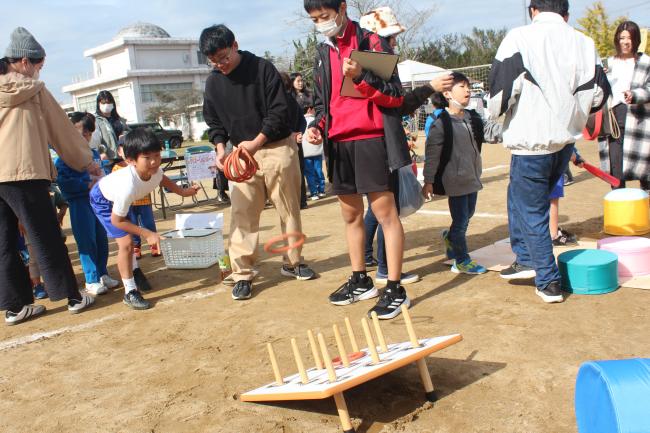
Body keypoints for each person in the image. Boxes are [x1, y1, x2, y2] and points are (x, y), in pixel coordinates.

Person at [488, 0, 610, 303]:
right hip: (564, 140)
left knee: (532, 212)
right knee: (519, 198)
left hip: (531, 140)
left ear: (533, 10)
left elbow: (499, 96)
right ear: (565, 13)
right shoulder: (585, 42)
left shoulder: (519, 37)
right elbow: (600, 95)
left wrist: (497, 114)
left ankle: (548, 279)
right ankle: (526, 259)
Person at [305, 0, 415, 319]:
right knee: (351, 215)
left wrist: (362, 76)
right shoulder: (323, 53)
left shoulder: (372, 41)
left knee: (384, 213)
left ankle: (395, 287)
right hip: (339, 143)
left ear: (342, 8)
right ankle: (360, 279)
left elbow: (394, 97)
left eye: (325, 16)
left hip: (371, 138)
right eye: (314, 20)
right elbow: (324, 106)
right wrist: (317, 128)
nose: (321, 23)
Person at [200, 24, 316, 301]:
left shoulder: (262, 68)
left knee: (288, 208)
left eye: (224, 57)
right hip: (240, 155)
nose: (220, 65)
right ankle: (241, 274)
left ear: (235, 45)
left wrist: (256, 143)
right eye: (214, 61)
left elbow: (278, 112)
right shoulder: (213, 82)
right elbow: (213, 121)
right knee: (242, 215)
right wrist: (220, 149)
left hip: (276, 146)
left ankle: (293, 262)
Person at [0, 27, 100, 325]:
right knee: (46, 235)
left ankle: (15, 306)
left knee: (3, 242)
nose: (38, 73)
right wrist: (88, 162)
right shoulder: (34, 91)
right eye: (39, 66)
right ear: (25, 62)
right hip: (23, 173)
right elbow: (63, 132)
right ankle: (71, 295)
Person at [90, 128, 199, 310]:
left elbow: (162, 179)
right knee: (126, 243)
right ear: (131, 160)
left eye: (157, 155)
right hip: (103, 199)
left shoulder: (155, 171)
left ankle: (134, 270)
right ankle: (130, 292)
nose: (154, 161)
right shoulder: (127, 186)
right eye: (147, 157)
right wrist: (148, 233)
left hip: (123, 199)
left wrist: (184, 192)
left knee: (132, 240)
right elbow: (118, 221)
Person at [423, 73, 502, 274]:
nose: (468, 91)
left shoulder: (473, 117)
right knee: (460, 222)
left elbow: (491, 132)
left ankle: (450, 239)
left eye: (468, 87)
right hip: (454, 180)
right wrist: (428, 181)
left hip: (472, 177)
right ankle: (462, 259)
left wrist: (514, 130)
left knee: (468, 215)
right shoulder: (441, 122)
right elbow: (432, 154)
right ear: (448, 93)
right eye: (462, 86)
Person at [56, 112, 121, 296]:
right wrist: (86, 183)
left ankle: (102, 273)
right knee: (86, 241)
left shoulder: (93, 153)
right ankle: (91, 279)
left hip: (98, 204)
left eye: (88, 134)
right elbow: (64, 182)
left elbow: (102, 175)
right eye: (81, 134)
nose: (85, 138)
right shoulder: (65, 156)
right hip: (80, 203)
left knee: (101, 239)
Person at [602, 21, 650, 192]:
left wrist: (636, 95)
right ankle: (620, 209)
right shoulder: (606, 63)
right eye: (622, 38)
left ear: (636, 40)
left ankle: (645, 210)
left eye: (630, 38)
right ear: (617, 39)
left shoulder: (646, 62)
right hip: (613, 121)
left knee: (645, 169)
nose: (625, 42)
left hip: (640, 122)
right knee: (615, 169)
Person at [112, 147, 160, 259]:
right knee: (132, 225)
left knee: (148, 223)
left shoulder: (142, 165)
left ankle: (154, 245)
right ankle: (136, 247)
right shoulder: (117, 167)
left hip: (144, 201)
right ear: (119, 152)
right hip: (129, 204)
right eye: (122, 149)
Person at [302, 104, 326, 200]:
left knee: (309, 173)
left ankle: (314, 193)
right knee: (319, 171)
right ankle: (321, 190)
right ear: (309, 110)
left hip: (305, 153)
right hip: (317, 150)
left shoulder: (301, 121)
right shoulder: (316, 120)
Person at [94, 90, 127, 161]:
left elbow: (127, 130)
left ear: (113, 104)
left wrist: (124, 134)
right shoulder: (95, 120)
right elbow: (95, 140)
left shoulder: (119, 119)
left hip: (123, 156)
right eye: (103, 103)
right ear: (98, 104)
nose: (106, 105)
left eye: (109, 102)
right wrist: (101, 152)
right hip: (108, 159)